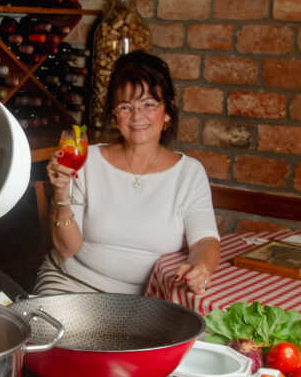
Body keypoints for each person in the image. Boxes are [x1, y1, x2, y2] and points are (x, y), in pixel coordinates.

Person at [38, 50, 220, 296]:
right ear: (115, 115)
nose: (137, 116)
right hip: (70, 284)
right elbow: (68, 249)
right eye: (125, 106)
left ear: (166, 112)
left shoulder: (189, 174)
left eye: (148, 104)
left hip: (147, 299)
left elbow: (204, 242)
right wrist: (61, 192)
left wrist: (201, 266)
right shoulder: (86, 160)